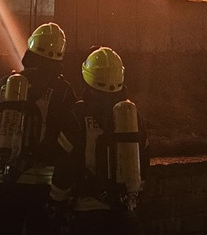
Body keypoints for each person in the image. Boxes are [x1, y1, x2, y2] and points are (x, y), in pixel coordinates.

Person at [0, 22, 77, 235]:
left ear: (30, 49)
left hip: (5, 179)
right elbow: (70, 137)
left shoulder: (5, 84)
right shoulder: (64, 91)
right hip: (43, 184)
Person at [48, 47, 149, 235]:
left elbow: (65, 167)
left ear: (88, 77)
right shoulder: (133, 116)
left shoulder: (78, 116)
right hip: (124, 213)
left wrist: (56, 202)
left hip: (87, 213)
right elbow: (144, 160)